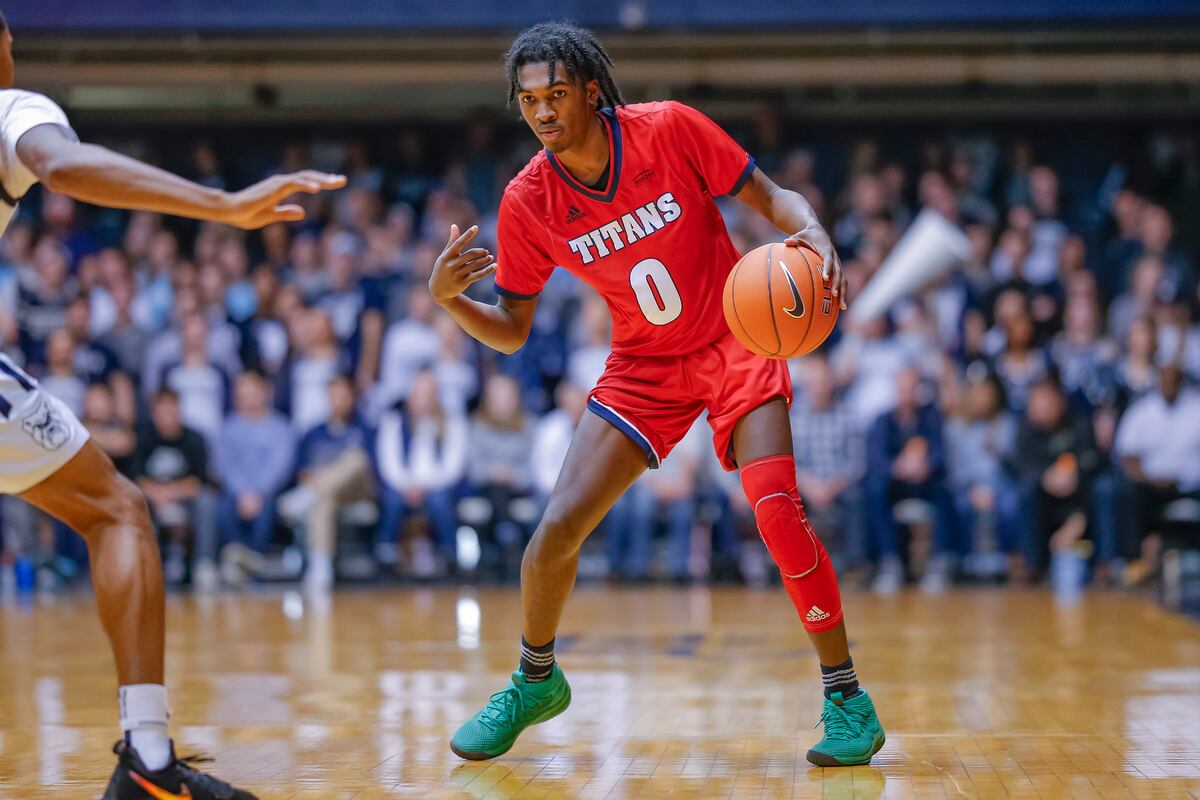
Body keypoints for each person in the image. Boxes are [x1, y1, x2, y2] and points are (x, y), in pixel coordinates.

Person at [429, 21, 882, 767]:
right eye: (529, 100)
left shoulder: (669, 128)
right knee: (555, 534)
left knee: (779, 519)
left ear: (592, 90)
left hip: (736, 340)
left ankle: (847, 701)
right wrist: (451, 301)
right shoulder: (529, 200)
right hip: (643, 365)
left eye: (557, 94)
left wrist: (815, 234)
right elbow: (512, 329)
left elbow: (773, 199)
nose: (543, 111)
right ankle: (535, 679)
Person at [0, 12, 345, 797]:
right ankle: (149, 761)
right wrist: (220, 206)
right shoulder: (11, 108)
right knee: (116, 509)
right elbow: (64, 166)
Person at [278, 373, 375, 591]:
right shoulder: (313, 433)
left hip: (358, 489)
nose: (338, 401)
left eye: (343, 396)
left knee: (356, 458)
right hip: (326, 493)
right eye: (334, 396)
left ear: (353, 398)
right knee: (324, 500)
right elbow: (302, 472)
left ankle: (306, 496)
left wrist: (320, 478)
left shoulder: (365, 429)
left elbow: (371, 468)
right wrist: (321, 480)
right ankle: (321, 568)